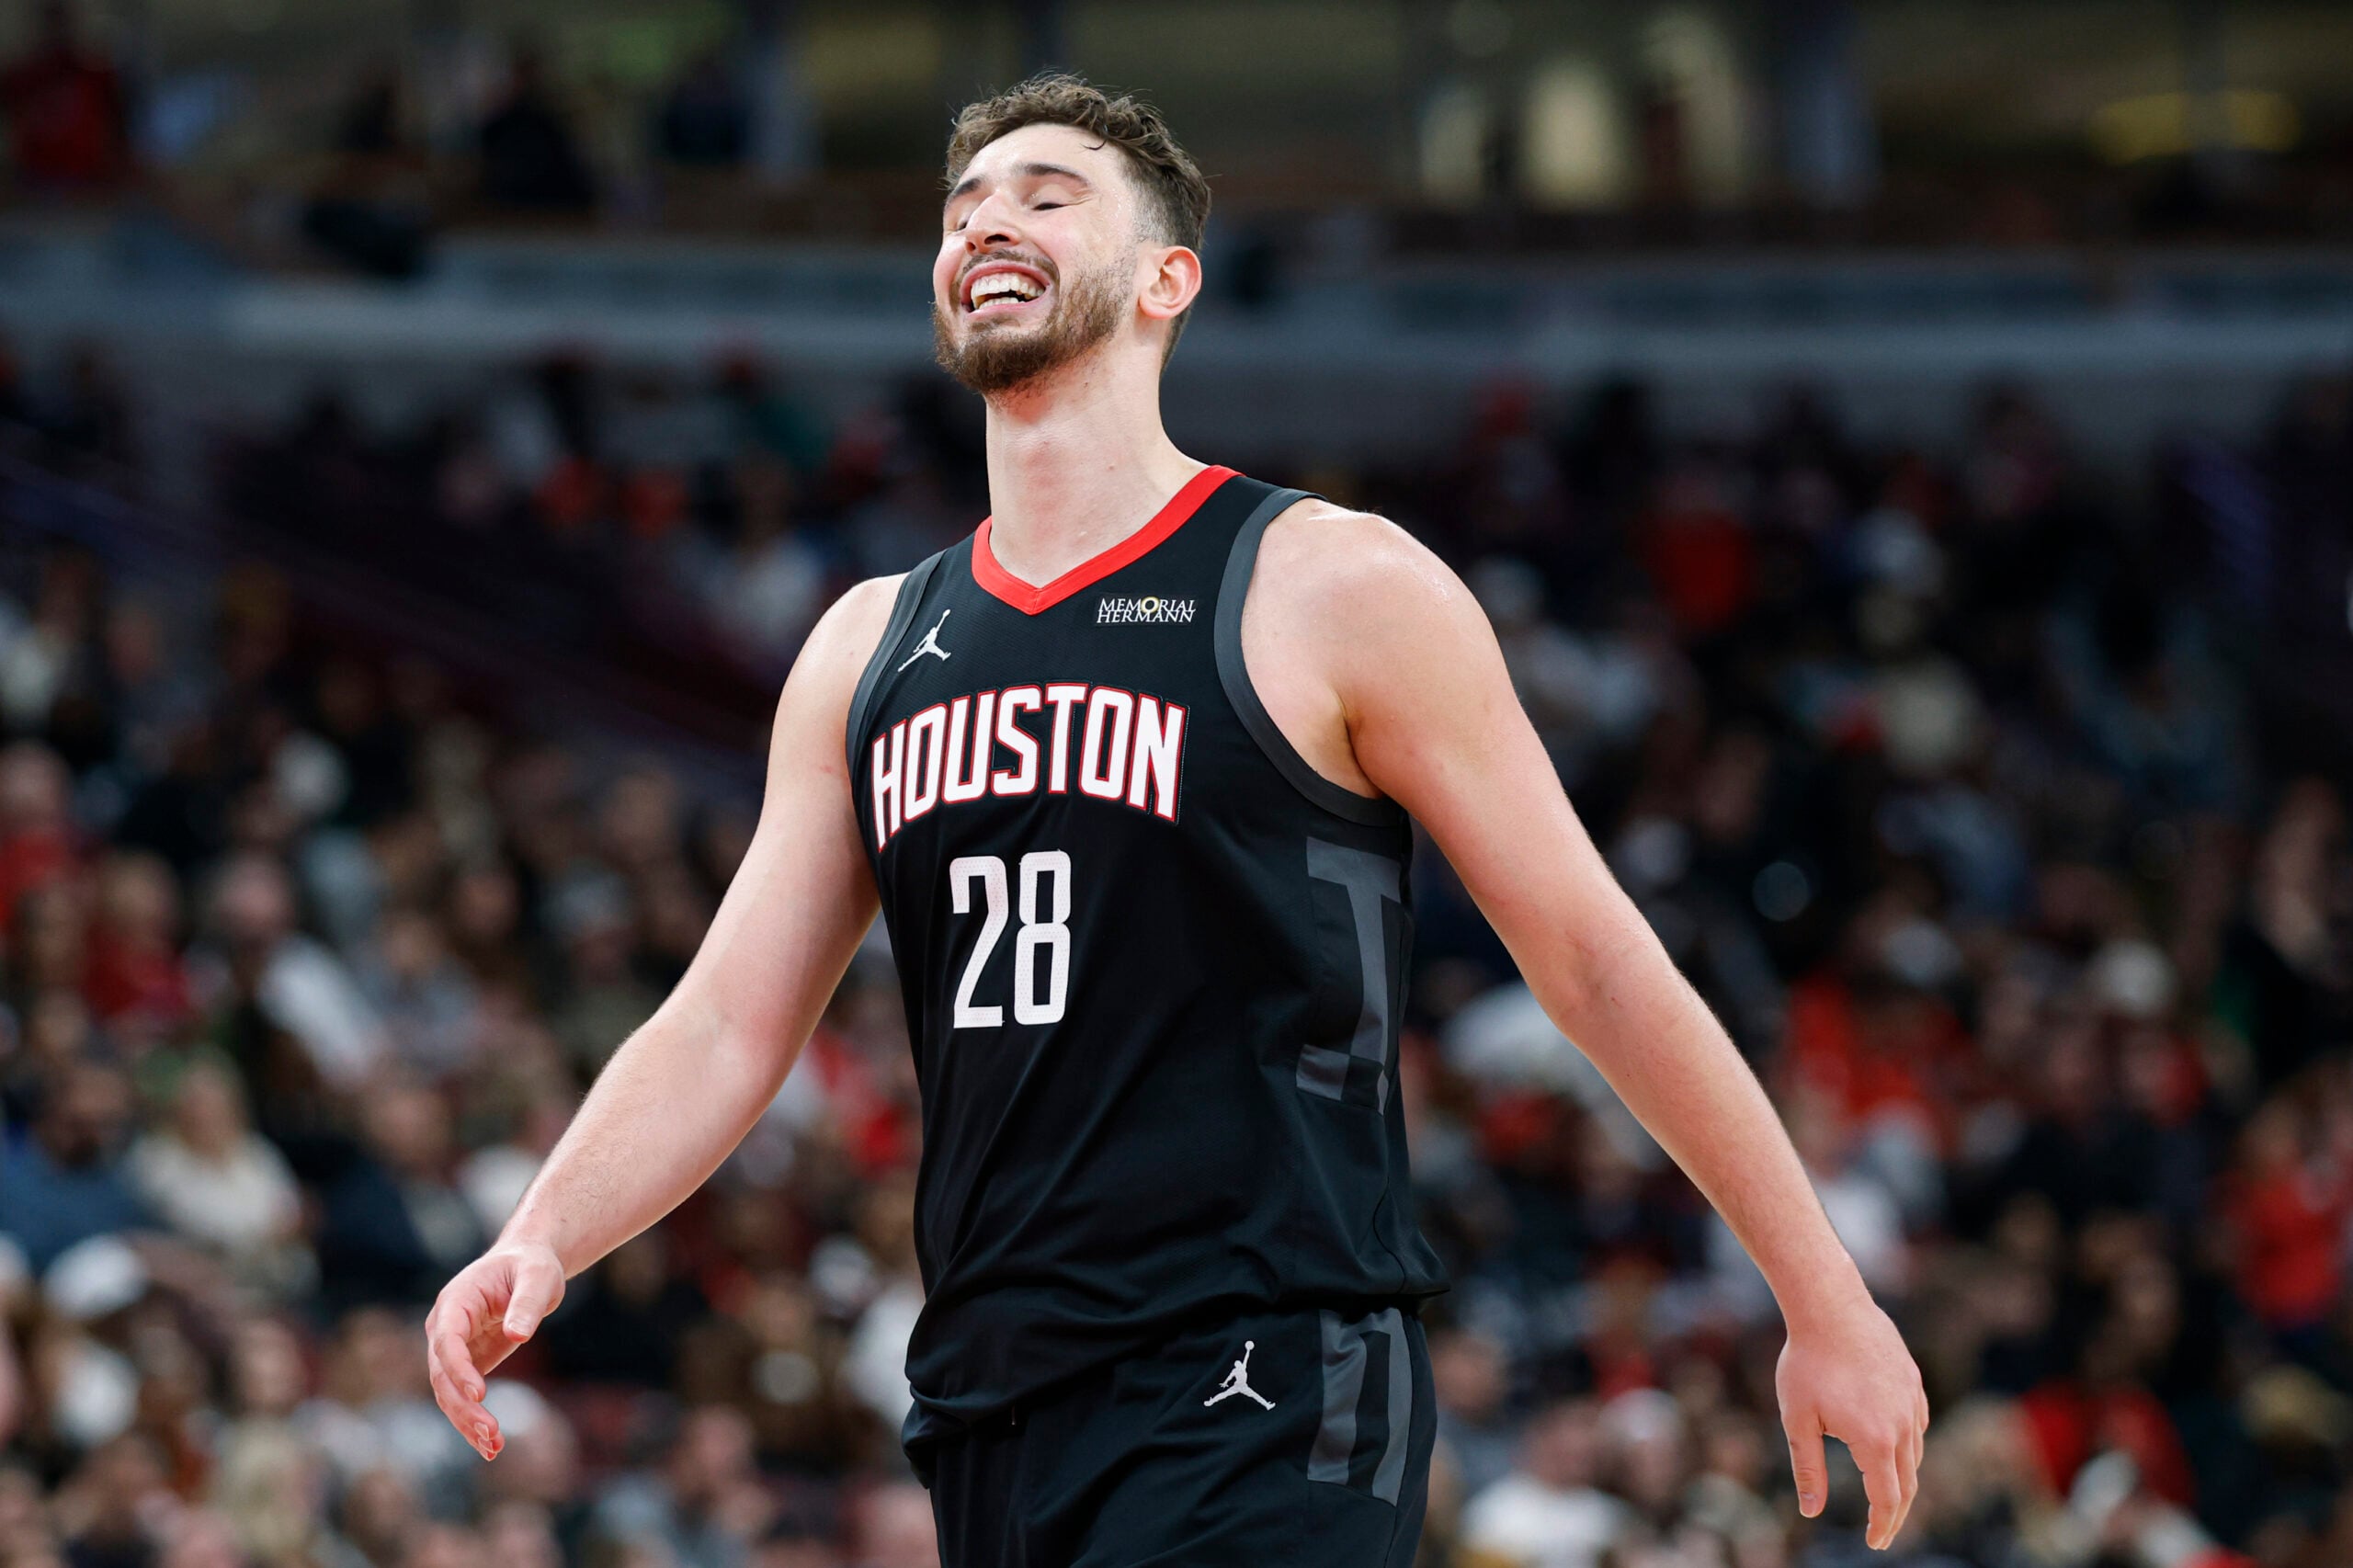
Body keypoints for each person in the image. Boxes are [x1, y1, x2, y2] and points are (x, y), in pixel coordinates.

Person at [425, 73, 1927, 1564]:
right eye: (962, 205)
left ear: (1167, 279)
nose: (986, 220)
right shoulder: (865, 647)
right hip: (993, 1395)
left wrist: (1823, 1294)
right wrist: (546, 1228)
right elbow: (724, 1026)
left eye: (1044, 192)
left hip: (1267, 1369)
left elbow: (1594, 958)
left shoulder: (1331, 585)